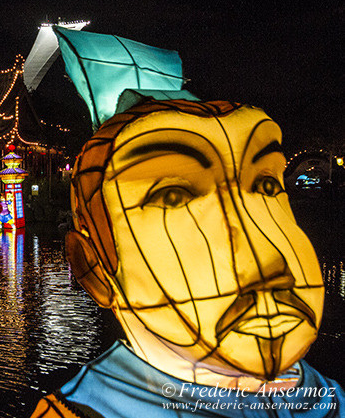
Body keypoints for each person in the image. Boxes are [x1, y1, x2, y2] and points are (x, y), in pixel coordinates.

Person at [32, 99, 343, 417]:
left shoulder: (326, 397)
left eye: (266, 185)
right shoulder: (81, 411)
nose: (267, 260)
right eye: (172, 197)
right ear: (94, 269)